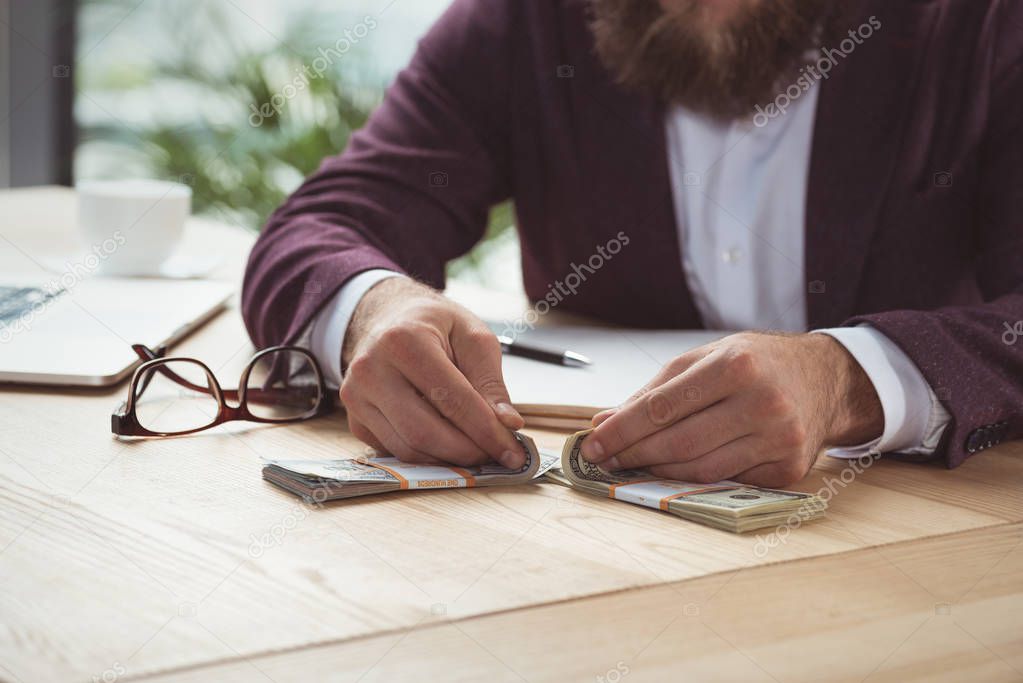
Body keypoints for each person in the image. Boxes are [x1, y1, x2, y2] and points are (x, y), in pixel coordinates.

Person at [242, 0, 1023, 486]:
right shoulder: (523, 24)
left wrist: (850, 380)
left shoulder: (983, 24)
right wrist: (375, 310)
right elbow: (321, 227)